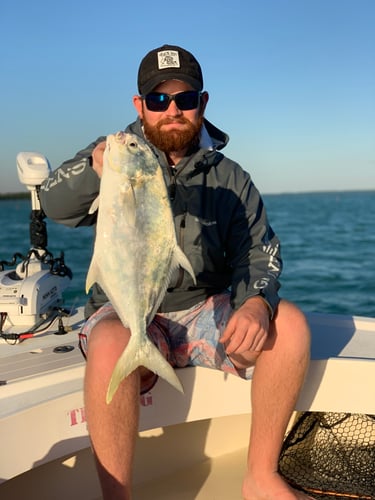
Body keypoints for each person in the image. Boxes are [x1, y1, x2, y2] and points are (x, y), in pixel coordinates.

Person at [40, 44, 312, 500]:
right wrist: (95, 172)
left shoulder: (230, 177)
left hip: (203, 311)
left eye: (184, 100)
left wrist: (257, 303)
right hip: (128, 310)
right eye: (158, 100)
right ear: (139, 106)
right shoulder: (113, 156)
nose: (171, 110)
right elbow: (55, 203)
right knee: (112, 343)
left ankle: (260, 477)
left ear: (202, 104)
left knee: (292, 326)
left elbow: (260, 251)